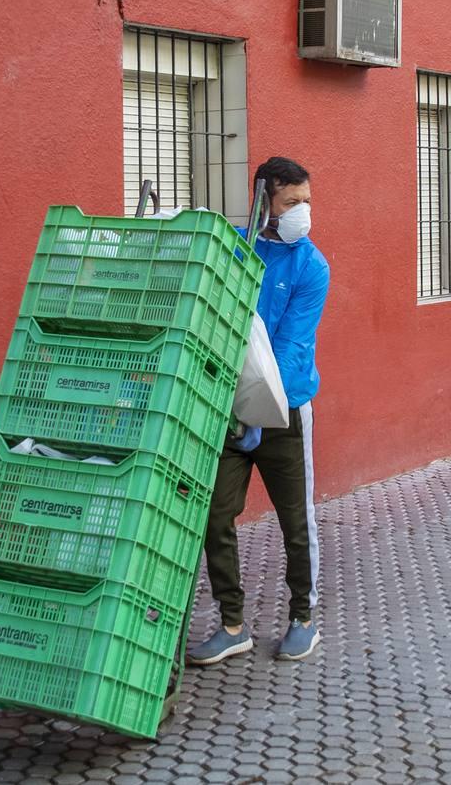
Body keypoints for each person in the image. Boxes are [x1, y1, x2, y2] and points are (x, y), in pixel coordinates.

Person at [189, 156, 331, 665]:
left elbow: (293, 350)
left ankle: (304, 618)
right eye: (292, 202)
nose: (302, 212)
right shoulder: (234, 250)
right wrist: (229, 405)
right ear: (263, 201)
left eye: (307, 201)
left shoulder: (312, 266)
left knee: (296, 520)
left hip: (285, 411)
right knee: (213, 516)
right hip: (226, 412)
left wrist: (256, 409)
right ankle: (232, 624)